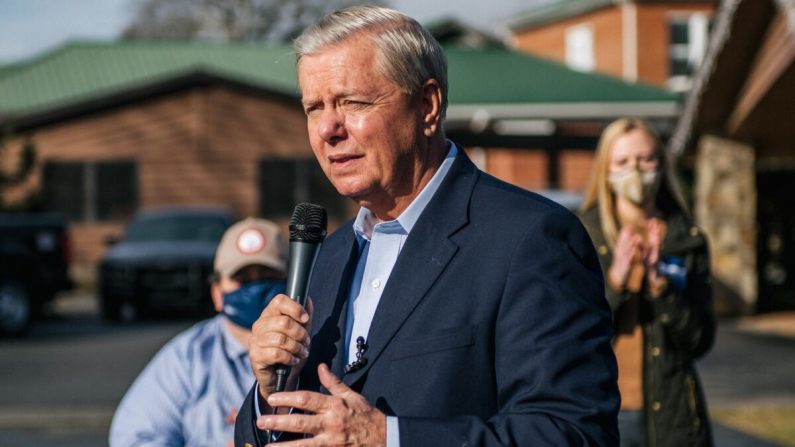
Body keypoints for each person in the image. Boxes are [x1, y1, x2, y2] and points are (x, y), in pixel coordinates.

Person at [235, 6, 619, 446]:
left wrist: (387, 438)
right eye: (313, 108)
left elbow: (572, 433)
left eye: (352, 102)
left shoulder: (530, 240)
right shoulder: (327, 257)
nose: (327, 128)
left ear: (427, 105)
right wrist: (271, 392)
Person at [579, 118, 715, 446]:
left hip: (672, 414)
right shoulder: (583, 235)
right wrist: (616, 281)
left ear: (661, 163)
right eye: (623, 162)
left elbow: (699, 339)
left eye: (646, 159)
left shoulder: (686, 238)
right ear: (606, 170)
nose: (636, 171)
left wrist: (660, 287)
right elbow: (570, 334)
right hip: (602, 409)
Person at [110, 217, 288, 447]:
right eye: (242, 279)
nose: (254, 288)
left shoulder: (317, 346)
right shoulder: (188, 358)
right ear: (217, 293)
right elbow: (135, 437)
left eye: (267, 276)